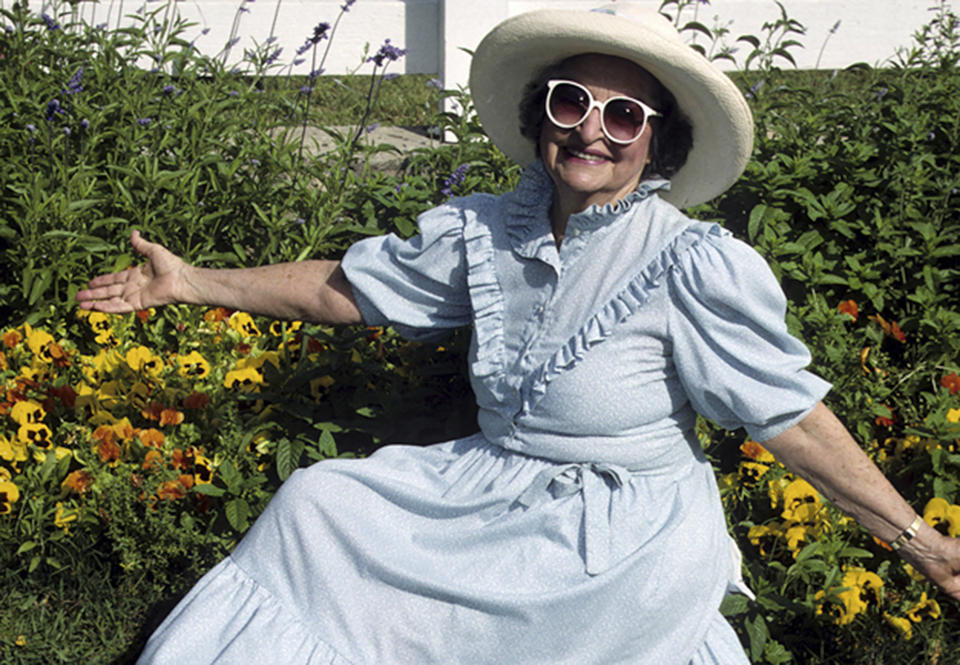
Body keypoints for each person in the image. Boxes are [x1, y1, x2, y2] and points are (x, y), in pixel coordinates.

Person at [77, 4, 960, 664]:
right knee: (318, 509)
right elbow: (346, 289)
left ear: (659, 143)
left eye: (625, 117)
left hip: (621, 532)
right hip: (490, 487)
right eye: (573, 102)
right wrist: (191, 282)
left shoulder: (689, 262)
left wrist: (919, 543)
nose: (591, 131)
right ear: (543, 115)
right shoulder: (489, 228)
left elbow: (791, 421)